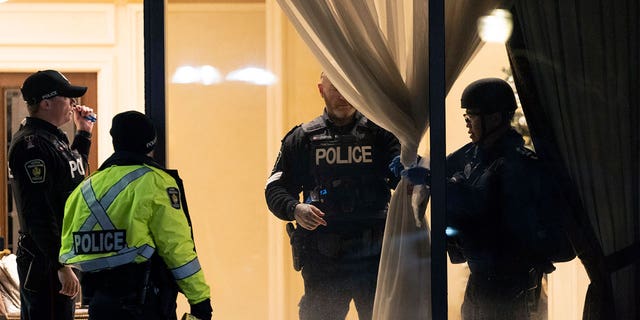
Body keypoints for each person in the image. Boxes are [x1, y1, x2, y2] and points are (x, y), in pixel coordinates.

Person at [395, 78, 575, 320]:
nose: (467, 123)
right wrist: (415, 163)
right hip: (480, 280)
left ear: (495, 118)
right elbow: (443, 168)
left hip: (511, 286)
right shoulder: (475, 154)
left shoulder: (518, 163)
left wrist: (432, 179)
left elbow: (478, 201)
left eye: (472, 116)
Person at [265, 73, 401, 320]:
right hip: (324, 260)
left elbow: (403, 179)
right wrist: (295, 209)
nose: (343, 96)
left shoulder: (381, 135)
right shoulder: (302, 138)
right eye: (335, 88)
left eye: (348, 87)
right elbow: (275, 188)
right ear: (321, 90)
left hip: (374, 258)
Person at [58, 111, 213, 320]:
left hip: (98, 307)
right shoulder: (155, 182)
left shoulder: (85, 188)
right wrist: (200, 301)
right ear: (151, 144)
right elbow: (176, 248)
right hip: (145, 305)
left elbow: (70, 246)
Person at [8, 69, 95, 319]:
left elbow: (73, 174)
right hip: (45, 260)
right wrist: (60, 264)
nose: (73, 104)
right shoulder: (31, 145)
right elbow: (37, 211)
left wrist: (84, 133)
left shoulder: (52, 139)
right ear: (46, 103)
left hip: (57, 253)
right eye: (67, 97)